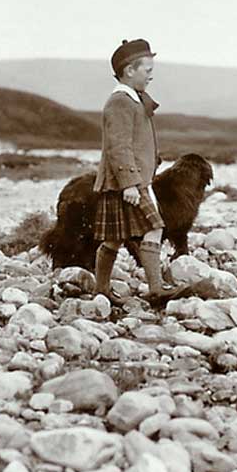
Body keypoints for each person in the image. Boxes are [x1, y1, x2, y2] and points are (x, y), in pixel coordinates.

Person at [92, 38, 177, 305]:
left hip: (135, 178)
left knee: (114, 239)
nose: (151, 75)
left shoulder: (134, 100)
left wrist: (153, 160)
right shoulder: (120, 102)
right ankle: (156, 288)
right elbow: (119, 147)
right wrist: (130, 183)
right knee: (154, 228)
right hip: (128, 181)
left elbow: (136, 141)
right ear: (129, 70)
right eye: (147, 70)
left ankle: (102, 290)